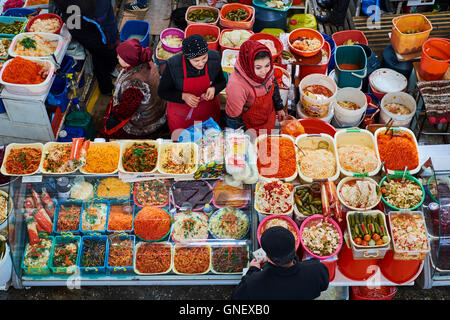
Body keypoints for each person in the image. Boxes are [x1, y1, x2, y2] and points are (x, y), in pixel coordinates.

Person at [232, 226, 330, 300]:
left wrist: (253, 269)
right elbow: (323, 285)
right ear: (294, 249)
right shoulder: (317, 270)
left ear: (268, 258)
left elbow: (236, 298)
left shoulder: (253, 283)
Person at [158, 34, 226, 136]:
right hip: (182, 116)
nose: (201, 63)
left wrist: (214, 89)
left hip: (208, 112)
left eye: (204, 58)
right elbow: (163, 92)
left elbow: (222, 82)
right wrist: (183, 96)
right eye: (196, 61)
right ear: (186, 57)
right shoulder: (173, 65)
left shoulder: (214, 58)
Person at [102, 39, 167, 139]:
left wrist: (115, 109)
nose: (117, 57)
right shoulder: (147, 61)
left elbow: (125, 111)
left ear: (128, 62)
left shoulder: (135, 85)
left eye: (120, 56)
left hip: (145, 121)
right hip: (157, 107)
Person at [53, 0, 119, 95]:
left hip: (82, 24)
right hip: (92, 29)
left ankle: (108, 74)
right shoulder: (93, 8)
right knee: (102, 54)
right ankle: (106, 87)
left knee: (101, 54)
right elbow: (105, 28)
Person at [225, 40, 286, 136]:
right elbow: (233, 118)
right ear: (248, 65)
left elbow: (273, 84)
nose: (264, 71)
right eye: (258, 68)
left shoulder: (268, 70)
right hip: (249, 128)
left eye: (267, 65)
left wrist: (279, 107)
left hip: (268, 118)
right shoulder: (236, 86)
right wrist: (242, 138)